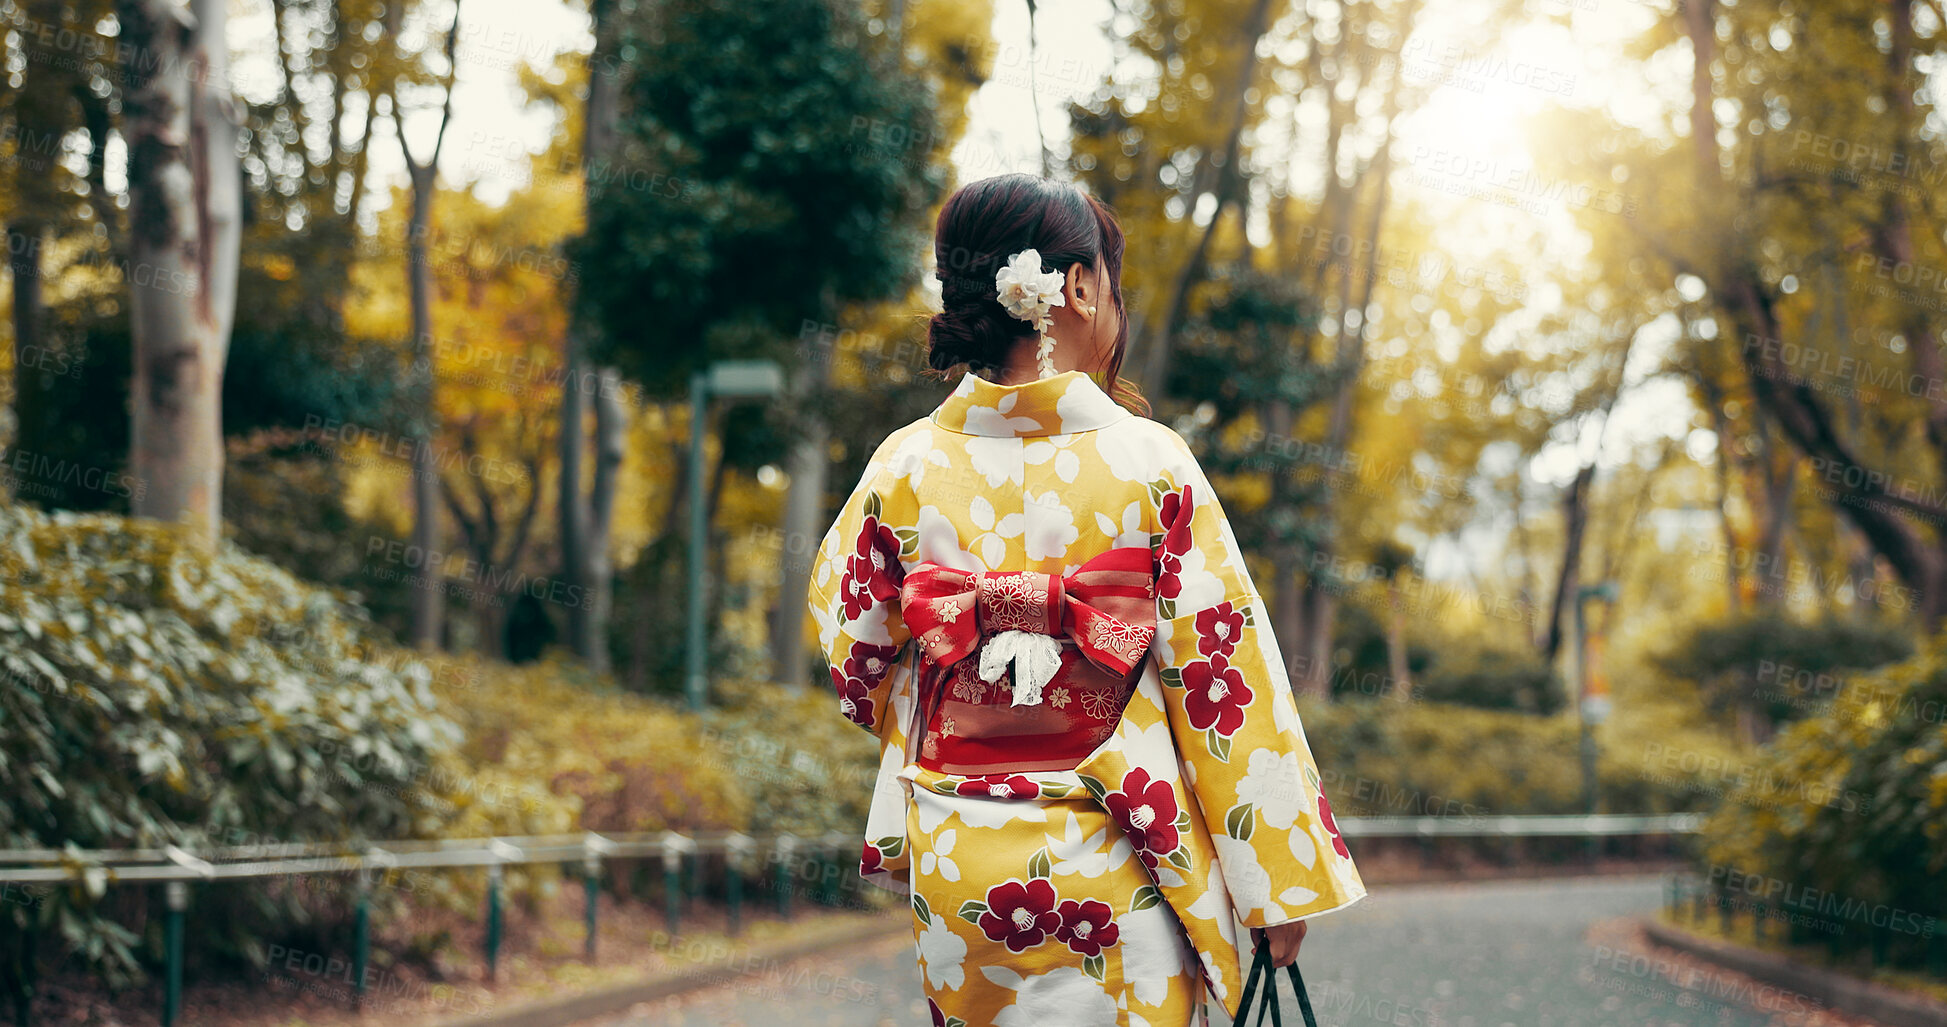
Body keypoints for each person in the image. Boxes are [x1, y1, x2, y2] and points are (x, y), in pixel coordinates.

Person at [809, 173, 1366, 1027]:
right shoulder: (1151, 461)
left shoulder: (903, 465)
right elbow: (1223, 679)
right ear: (1074, 286)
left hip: (961, 863)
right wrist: (1274, 886)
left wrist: (965, 702)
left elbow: (853, 657)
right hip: (1120, 850)